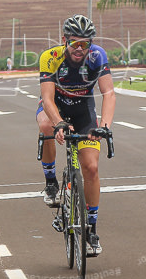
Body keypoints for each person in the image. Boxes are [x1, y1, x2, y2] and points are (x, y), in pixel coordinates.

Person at [36, 15, 115, 256]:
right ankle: (51, 182)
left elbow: (108, 93)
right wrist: (59, 122)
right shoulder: (50, 57)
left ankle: (91, 229)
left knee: (91, 167)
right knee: (46, 128)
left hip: (83, 111)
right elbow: (47, 98)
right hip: (55, 107)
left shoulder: (97, 56)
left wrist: (104, 126)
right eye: (74, 43)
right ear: (64, 40)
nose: (80, 49)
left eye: (85, 43)